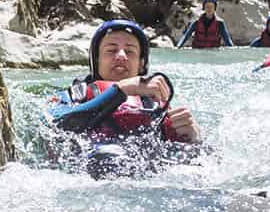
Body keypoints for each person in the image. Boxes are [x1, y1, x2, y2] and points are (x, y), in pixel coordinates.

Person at [46, 20, 202, 176]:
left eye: (130, 51)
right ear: (97, 60)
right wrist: (120, 90)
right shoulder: (75, 95)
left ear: (141, 64)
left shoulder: (156, 105)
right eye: (111, 50)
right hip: (85, 174)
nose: (121, 56)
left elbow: (196, 163)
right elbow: (54, 123)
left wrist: (194, 139)